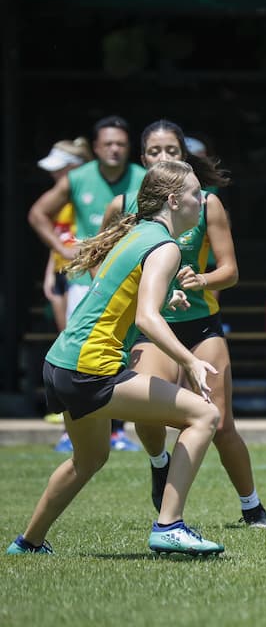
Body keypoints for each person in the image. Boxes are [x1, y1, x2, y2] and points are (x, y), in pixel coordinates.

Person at [7, 160, 225, 556]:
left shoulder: (139, 232)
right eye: (196, 194)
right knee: (205, 416)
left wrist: (166, 294)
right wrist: (189, 360)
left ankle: (28, 543)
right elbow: (146, 318)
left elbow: (121, 291)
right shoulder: (166, 246)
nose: (203, 201)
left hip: (60, 364)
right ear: (174, 201)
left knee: (88, 459)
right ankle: (169, 525)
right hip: (92, 369)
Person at [100, 119, 266, 528]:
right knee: (147, 414)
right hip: (149, 328)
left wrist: (202, 279)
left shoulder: (205, 203)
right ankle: (160, 463)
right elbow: (103, 268)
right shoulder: (123, 207)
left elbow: (230, 271)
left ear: (185, 157)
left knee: (221, 421)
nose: (163, 158)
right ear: (143, 160)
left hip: (201, 326)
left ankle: (252, 506)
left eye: (172, 151)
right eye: (155, 152)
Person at [28, 116, 146, 453]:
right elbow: (38, 213)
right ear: (95, 148)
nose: (114, 149)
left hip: (127, 281)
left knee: (121, 352)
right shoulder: (78, 178)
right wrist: (62, 248)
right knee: (77, 357)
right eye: (108, 143)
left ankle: (116, 431)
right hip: (84, 281)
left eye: (121, 144)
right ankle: (71, 431)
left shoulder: (142, 179)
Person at [36, 138, 94, 333]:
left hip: (79, 272)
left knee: (77, 335)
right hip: (60, 270)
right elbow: (58, 236)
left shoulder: (84, 196)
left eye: (59, 168)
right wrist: (49, 273)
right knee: (64, 337)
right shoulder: (57, 199)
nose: (53, 173)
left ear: (75, 167)